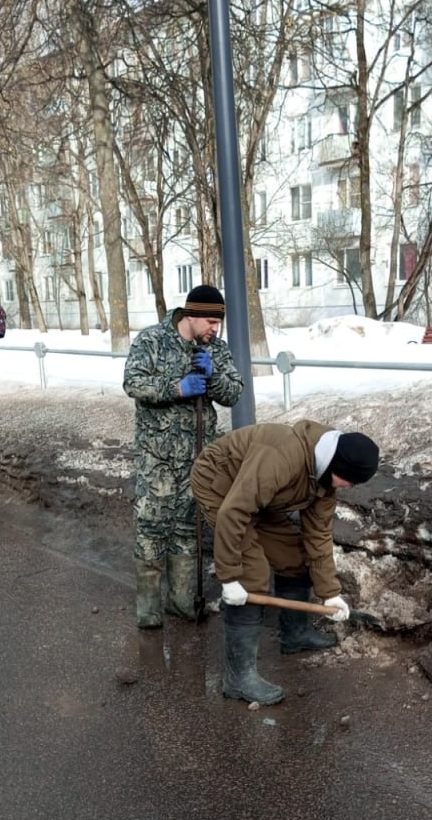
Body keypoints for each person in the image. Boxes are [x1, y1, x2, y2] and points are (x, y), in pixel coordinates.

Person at [191, 420, 380, 704]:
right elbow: (234, 512)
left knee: (293, 557)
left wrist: (331, 594)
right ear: (336, 466)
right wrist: (230, 578)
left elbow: (318, 535)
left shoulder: (324, 479)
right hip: (220, 485)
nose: (350, 487)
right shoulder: (281, 457)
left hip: (262, 497)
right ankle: (238, 678)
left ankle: (295, 634)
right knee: (250, 573)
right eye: (350, 480)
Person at [123, 284, 244, 627]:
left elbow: (234, 392)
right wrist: (177, 387)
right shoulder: (152, 341)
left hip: (198, 458)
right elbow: (133, 383)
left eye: (218, 322)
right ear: (191, 314)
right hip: (156, 459)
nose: (214, 328)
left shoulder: (214, 349)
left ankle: (181, 601)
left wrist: (213, 375)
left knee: (188, 530)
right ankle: (148, 608)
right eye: (209, 321)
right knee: (152, 528)